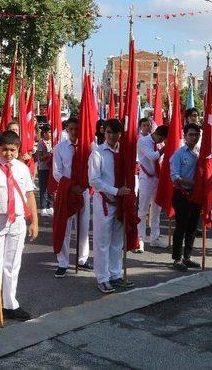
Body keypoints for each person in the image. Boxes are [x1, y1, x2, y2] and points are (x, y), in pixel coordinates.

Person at [0, 130, 39, 329]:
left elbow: (29, 195)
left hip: (17, 221)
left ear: (18, 150)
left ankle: (10, 304)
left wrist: (34, 221)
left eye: (12, 150)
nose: (8, 154)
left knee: (12, 265)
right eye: (4, 150)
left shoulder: (21, 168)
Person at [88, 119, 133, 293]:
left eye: (116, 132)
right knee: (102, 241)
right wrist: (115, 191)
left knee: (117, 241)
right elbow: (94, 180)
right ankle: (102, 277)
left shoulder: (124, 152)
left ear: (121, 133)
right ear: (104, 133)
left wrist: (126, 195)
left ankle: (115, 274)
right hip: (105, 202)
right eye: (109, 132)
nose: (112, 135)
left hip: (121, 201)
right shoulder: (97, 153)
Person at [52, 117, 92, 278]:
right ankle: (63, 262)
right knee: (65, 227)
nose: (74, 132)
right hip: (67, 192)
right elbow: (56, 172)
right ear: (67, 130)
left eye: (77, 129)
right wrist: (71, 186)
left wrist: (84, 185)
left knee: (83, 228)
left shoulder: (88, 147)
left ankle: (82, 259)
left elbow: (92, 168)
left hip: (83, 191)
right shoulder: (60, 148)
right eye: (71, 129)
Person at [169, 123, 202, 271]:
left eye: (196, 135)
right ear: (185, 136)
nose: (194, 137)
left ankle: (187, 257)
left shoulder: (201, 153)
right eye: (191, 135)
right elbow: (175, 176)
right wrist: (194, 183)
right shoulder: (179, 154)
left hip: (196, 195)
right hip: (182, 194)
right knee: (181, 226)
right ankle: (176, 259)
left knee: (193, 227)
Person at [136, 125, 168, 251]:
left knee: (157, 209)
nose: (162, 141)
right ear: (159, 135)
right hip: (146, 178)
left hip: (157, 177)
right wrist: (165, 147)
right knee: (143, 209)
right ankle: (140, 239)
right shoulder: (143, 141)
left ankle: (155, 237)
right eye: (162, 139)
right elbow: (152, 156)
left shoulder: (159, 143)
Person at [35, 125, 53, 216]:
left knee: (50, 187)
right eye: (49, 132)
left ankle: (50, 205)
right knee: (43, 188)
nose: (50, 134)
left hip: (51, 168)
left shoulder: (52, 142)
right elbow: (40, 158)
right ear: (45, 133)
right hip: (43, 168)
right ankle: (43, 207)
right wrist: (49, 154)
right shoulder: (41, 143)